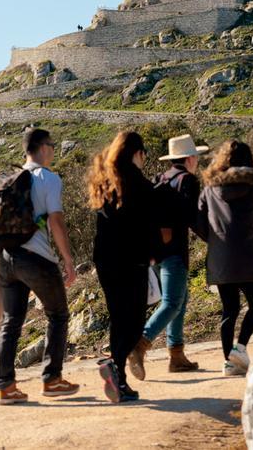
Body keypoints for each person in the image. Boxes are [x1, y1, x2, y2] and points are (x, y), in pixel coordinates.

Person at [0, 128, 80, 404]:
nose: (53, 151)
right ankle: (52, 379)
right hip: (36, 257)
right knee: (58, 315)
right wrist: (67, 259)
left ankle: (5, 386)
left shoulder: (9, 179)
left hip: (6, 258)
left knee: (11, 321)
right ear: (43, 148)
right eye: (52, 146)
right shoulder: (48, 178)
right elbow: (56, 220)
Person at [194, 140, 253, 376]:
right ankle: (241, 347)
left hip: (219, 257)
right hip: (247, 254)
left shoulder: (210, 187)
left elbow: (199, 222)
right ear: (249, 160)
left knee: (229, 309)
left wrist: (215, 241)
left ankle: (228, 361)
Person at [88, 131, 163, 402]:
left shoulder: (105, 181)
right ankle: (114, 365)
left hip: (106, 261)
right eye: (144, 154)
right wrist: (155, 254)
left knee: (119, 316)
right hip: (132, 260)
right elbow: (150, 223)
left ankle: (118, 378)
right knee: (134, 321)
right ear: (137, 153)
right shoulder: (138, 183)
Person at [130, 134, 206, 379]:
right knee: (173, 302)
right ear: (190, 158)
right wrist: (214, 239)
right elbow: (192, 218)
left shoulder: (160, 179)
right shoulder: (189, 181)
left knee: (180, 301)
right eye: (197, 157)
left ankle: (177, 355)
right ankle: (141, 342)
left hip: (155, 250)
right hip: (175, 251)